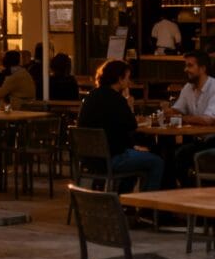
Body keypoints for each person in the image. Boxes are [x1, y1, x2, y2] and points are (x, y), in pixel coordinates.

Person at [77, 59, 163, 192]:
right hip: (112, 159)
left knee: (137, 157)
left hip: (88, 159)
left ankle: (123, 198)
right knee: (156, 162)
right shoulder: (117, 99)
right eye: (127, 78)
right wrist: (129, 105)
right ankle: (147, 203)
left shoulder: (90, 96)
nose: (129, 82)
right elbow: (132, 125)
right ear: (119, 79)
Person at [167, 51, 215, 186]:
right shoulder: (188, 87)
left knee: (180, 154)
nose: (185, 69)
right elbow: (177, 110)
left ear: (203, 68)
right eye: (185, 65)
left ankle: (189, 190)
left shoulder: (214, 87)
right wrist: (166, 112)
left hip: (212, 140)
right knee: (166, 152)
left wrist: (182, 118)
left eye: (190, 66)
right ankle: (171, 192)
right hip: (197, 139)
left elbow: (208, 120)